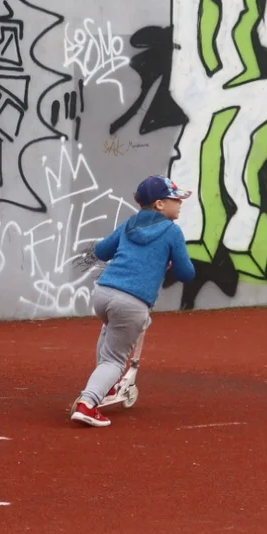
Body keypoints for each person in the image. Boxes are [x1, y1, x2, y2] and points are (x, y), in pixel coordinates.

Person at [70, 175, 196, 427]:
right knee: (115, 361)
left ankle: (104, 387)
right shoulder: (172, 231)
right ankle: (88, 403)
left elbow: (103, 251)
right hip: (132, 303)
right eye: (176, 199)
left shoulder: (130, 225)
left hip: (103, 293)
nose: (180, 203)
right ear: (160, 204)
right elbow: (187, 273)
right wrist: (167, 263)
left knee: (110, 336)